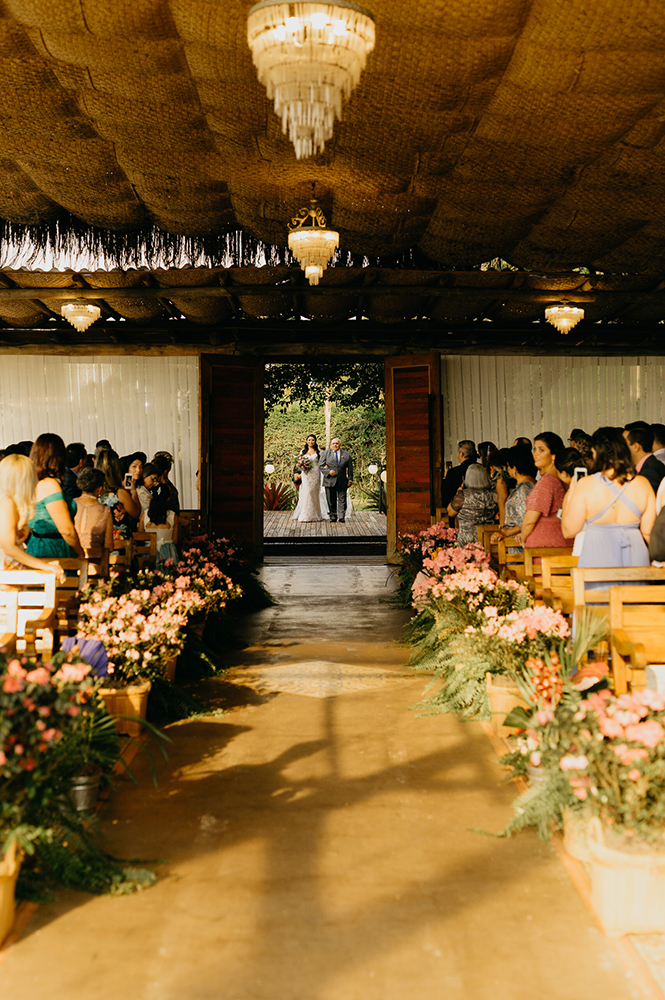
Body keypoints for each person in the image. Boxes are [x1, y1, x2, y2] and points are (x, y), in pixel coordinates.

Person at [562, 427, 655, 573]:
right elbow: (649, 532)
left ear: (596, 453)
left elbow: (569, 531)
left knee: (598, 595)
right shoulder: (642, 484)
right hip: (635, 559)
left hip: (598, 557)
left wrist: (570, 493)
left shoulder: (586, 484)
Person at [0, 453, 65, 579]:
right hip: (6, 578)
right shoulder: (6, 503)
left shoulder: (6, 501)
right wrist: (45, 566)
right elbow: (8, 546)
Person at [26, 433, 84, 559]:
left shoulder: (32, 483)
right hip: (54, 549)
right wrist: (81, 554)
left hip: (36, 545)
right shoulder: (49, 485)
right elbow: (66, 530)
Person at [519, 432, 569, 547]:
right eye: (535, 449)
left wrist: (523, 537)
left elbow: (530, 520)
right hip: (561, 541)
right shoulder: (564, 478)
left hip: (544, 545)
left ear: (553, 455)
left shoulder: (546, 481)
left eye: (541, 450)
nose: (535, 454)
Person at [491, 446, 536, 549]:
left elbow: (525, 520)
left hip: (519, 541)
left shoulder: (523, 489)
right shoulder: (533, 484)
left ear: (514, 468)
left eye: (508, 466)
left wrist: (506, 533)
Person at [448, 463, 498, 546]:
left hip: (466, 541)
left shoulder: (462, 495)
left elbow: (450, 512)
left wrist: (458, 493)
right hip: (488, 539)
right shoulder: (492, 495)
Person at [95, 449, 140, 537]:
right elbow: (136, 513)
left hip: (100, 541)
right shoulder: (120, 493)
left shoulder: (93, 493)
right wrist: (133, 491)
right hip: (121, 543)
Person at [74, 467, 113, 554]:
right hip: (94, 562)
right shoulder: (105, 511)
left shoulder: (70, 504)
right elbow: (109, 546)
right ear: (99, 489)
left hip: (71, 560)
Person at [623, 421, 665, 495]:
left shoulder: (651, 471)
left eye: (624, 444)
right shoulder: (647, 466)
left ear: (636, 447)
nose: (620, 448)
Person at [292, 434, 326, 522]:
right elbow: (298, 464)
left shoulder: (319, 451)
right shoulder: (303, 451)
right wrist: (300, 467)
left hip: (315, 474)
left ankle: (317, 514)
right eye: (309, 440)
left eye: (312, 440)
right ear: (306, 441)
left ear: (315, 441)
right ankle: (306, 514)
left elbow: (322, 463)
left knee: (314, 493)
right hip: (306, 474)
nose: (311, 442)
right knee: (307, 492)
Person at [140, 492, 179, 568]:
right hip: (168, 552)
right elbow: (175, 540)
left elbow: (140, 536)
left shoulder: (145, 515)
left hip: (148, 551)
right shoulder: (173, 516)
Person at [319, 437, 353, 523]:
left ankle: (341, 517)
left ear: (340, 445)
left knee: (342, 500)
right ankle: (333, 516)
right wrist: (328, 471)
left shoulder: (346, 455)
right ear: (330, 445)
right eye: (333, 443)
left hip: (342, 481)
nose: (335, 445)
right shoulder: (325, 453)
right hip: (329, 481)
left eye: (337, 443)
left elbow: (350, 469)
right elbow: (321, 466)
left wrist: (350, 480)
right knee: (331, 500)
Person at [441, 440, 477, 508]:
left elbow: (445, 495)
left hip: (458, 510)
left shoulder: (453, 472)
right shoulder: (482, 469)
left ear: (461, 454)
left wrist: (445, 478)